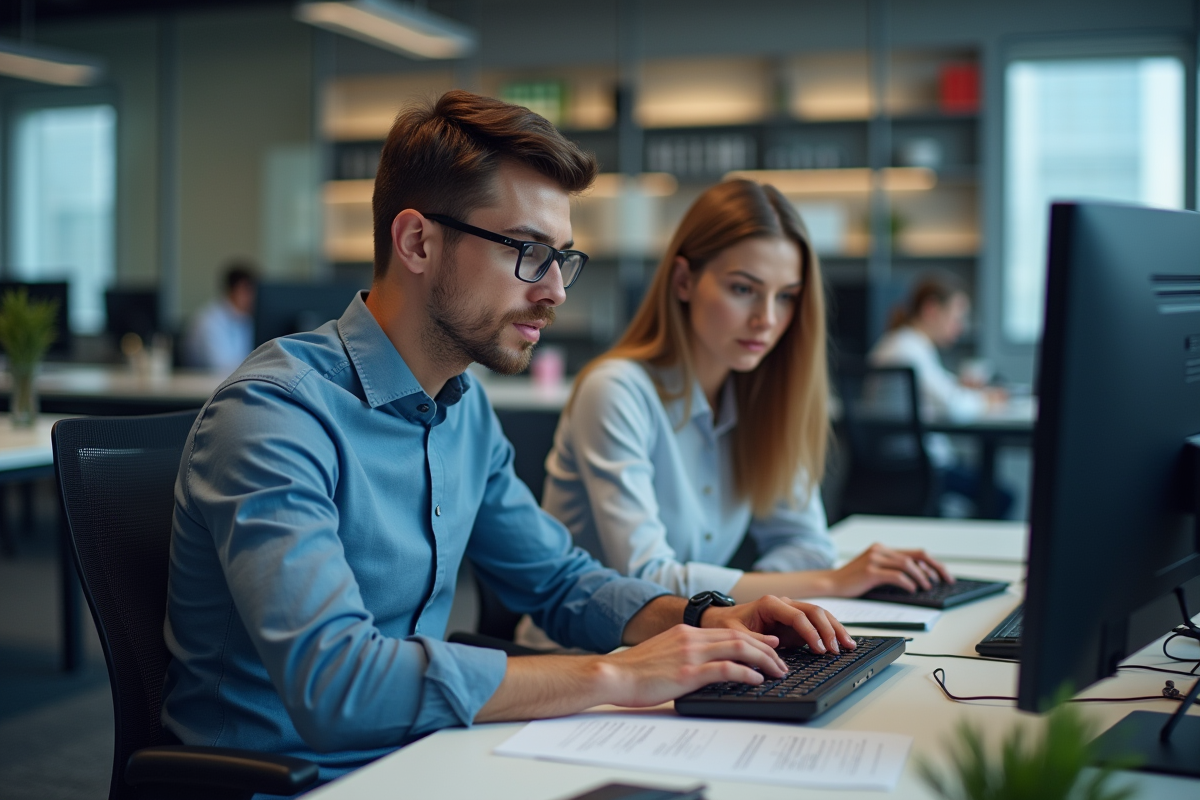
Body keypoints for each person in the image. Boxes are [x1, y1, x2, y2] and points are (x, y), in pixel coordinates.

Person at [161, 91, 855, 784]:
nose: (555, 290)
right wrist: (615, 674)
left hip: (421, 760)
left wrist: (707, 618)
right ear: (417, 242)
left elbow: (559, 582)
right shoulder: (277, 414)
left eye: (562, 258)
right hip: (289, 783)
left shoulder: (462, 408)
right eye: (528, 251)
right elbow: (339, 685)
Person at [519, 180, 951, 650]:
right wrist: (824, 584)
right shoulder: (617, 390)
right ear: (683, 281)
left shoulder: (764, 397)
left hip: (696, 648)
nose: (766, 318)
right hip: (585, 661)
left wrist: (753, 597)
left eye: (786, 296)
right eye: (744, 288)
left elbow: (809, 545)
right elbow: (644, 576)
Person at [868, 274, 1012, 518]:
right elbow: (955, 407)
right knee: (1001, 497)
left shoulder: (899, 343)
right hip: (916, 468)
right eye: (956, 318)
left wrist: (963, 387)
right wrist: (987, 400)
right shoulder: (909, 349)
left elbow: (941, 389)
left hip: (894, 465)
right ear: (932, 309)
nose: (960, 327)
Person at [183, 261, 257, 373]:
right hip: (205, 387)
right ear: (237, 290)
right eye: (248, 291)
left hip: (233, 383)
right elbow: (220, 367)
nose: (253, 297)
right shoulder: (208, 320)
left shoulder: (245, 319)